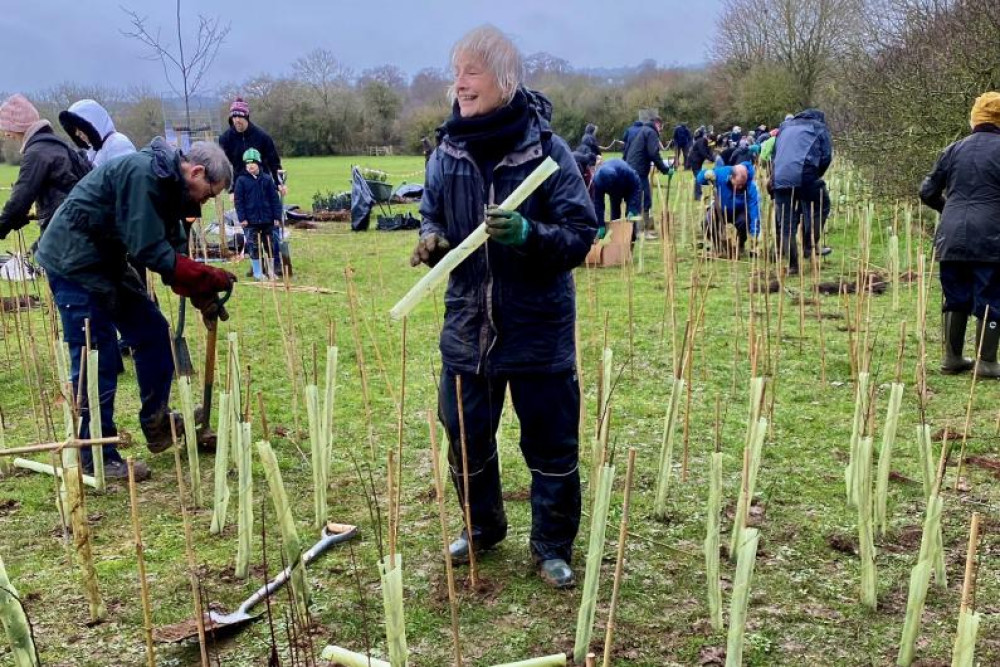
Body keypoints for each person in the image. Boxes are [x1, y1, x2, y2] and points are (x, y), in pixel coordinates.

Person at [411, 25, 597, 589]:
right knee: (463, 434)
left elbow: (581, 232)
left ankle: (551, 546)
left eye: (472, 72)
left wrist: (527, 235)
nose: (459, 84)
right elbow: (431, 211)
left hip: (537, 329)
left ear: (506, 80)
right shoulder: (446, 151)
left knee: (551, 442)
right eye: (456, 72)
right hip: (468, 328)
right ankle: (484, 526)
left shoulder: (547, 152)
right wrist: (431, 237)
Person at [34, 139, 236, 481]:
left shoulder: (172, 189)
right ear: (197, 171)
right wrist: (205, 275)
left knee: (154, 333)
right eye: (210, 192)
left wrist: (202, 293)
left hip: (105, 263)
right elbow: (150, 251)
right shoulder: (143, 175)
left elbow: (173, 252)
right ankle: (95, 454)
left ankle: (157, 424)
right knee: (97, 356)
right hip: (72, 261)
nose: (208, 200)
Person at [920, 91, 1000, 378]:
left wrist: (948, 210)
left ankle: (952, 358)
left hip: (951, 236)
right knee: (991, 296)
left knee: (955, 295)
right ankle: (986, 361)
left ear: (975, 118)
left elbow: (926, 191)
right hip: (992, 237)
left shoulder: (952, 150)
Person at [0, 94, 92, 243]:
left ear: (17, 125)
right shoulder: (55, 145)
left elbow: (20, 200)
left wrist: (3, 225)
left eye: (7, 128)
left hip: (65, 231)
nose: (6, 134)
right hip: (78, 228)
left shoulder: (37, 153)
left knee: (39, 258)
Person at [771, 108, 832, 274]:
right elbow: (826, 156)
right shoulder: (819, 127)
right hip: (805, 175)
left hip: (779, 178)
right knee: (823, 204)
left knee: (786, 223)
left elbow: (774, 155)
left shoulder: (784, 127)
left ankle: (792, 266)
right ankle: (809, 245)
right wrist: (815, 174)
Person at [218, 97, 284, 195]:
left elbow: (274, 162)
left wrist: (279, 183)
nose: (237, 120)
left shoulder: (263, 137)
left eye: (240, 117)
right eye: (234, 117)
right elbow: (224, 166)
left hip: (262, 186)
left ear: (246, 116)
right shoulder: (225, 139)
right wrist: (231, 190)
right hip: (240, 188)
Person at [235, 148, 283, 280]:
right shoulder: (241, 181)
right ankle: (257, 272)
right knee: (254, 246)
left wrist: (277, 217)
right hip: (250, 221)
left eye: (253, 163)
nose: (250, 166)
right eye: (247, 163)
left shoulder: (267, 179)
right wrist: (242, 218)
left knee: (270, 245)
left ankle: (271, 271)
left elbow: (274, 199)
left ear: (258, 164)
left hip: (268, 220)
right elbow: (239, 201)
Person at [623, 112, 673, 237]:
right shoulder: (651, 133)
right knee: (644, 199)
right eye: (661, 128)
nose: (660, 131)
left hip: (631, 167)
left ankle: (633, 229)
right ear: (657, 124)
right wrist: (665, 169)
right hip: (638, 171)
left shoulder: (642, 130)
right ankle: (641, 231)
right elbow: (653, 153)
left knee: (635, 198)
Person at [697, 162, 760, 257]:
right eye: (738, 184)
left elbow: (754, 208)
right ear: (731, 177)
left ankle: (740, 245)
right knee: (707, 222)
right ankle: (719, 246)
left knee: (744, 221)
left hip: (740, 211)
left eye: (742, 185)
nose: (740, 187)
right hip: (720, 208)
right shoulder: (721, 174)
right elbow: (700, 179)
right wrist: (705, 175)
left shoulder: (750, 186)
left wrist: (754, 232)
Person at [59, 99, 136, 167]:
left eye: (80, 129)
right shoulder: (93, 151)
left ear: (92, 125)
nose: (77, 134)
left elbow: (126, 177)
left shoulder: (118, 144)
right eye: (74, 130)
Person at [590, 158, 642, 238]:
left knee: (630, 218)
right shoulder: (597, 182)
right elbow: (598, 204)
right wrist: (600, 225)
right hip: (614, 193)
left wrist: (633, 208)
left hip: (629, 189)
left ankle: (631, 238)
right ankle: (615, 238)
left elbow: (636, 186)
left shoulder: (625, 171)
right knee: (615, 216)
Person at [688, 130, 715, 200]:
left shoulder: (706, 143)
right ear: (708, 138)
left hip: (699, 162)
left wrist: (712, 158)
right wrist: (710, 158)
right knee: (698, 178)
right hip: (694, 161)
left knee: (698, 177)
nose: (711, 143)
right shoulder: (701, 141)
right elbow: (702, 152)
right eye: (711, 141)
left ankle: (699, 194)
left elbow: (709, 152)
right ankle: (698, 196)